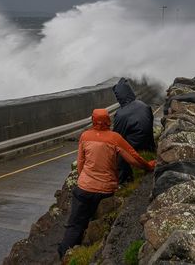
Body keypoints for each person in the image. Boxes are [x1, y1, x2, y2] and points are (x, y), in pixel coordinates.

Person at [58, 108, 155, 259]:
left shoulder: (85, 136)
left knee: (75, 225)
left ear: (93, 120)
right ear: (108, 121)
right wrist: (148, 166)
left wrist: (84, 180)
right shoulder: (114, 138)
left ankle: (64, 255)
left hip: (84, 188)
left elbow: (80, 165)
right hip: (105, 190)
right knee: (99, 222)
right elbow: (133, 158)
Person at [112, 77, 155, 184]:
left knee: (119, 153)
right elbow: (151, 121)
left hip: (135, 143)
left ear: (120, 96)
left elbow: (116, 136)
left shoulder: (121, 114)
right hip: (148, 141)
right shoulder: (143, 105)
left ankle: (124, 180)